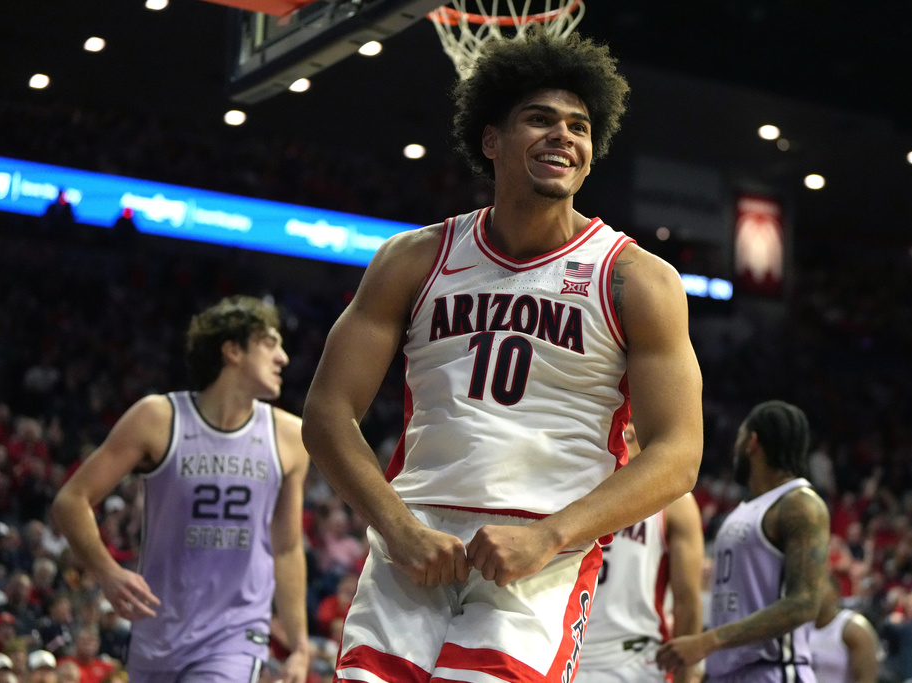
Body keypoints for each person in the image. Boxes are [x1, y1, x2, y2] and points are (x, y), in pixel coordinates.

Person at [301, 27, 703, 683]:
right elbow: (327, 411)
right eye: (540, 120)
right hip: (415, 536)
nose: (563, 136)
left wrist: (551, 535)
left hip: (540, 551)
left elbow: (678, 455)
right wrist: (397, 528)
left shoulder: (636, 278)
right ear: (491, 140)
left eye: (578, 126)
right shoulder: (415, 258)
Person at [51, 295, 311, 683]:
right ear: (233, 350)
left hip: (235, 634)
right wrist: (106, 572)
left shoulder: (289, 436)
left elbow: (288, 547)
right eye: (270, 343)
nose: (283, 358)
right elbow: (71, 500)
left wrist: (300, 644)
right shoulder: (157, 418)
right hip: (157, 629)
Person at [658, 400, 831, 682]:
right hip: (728, 673)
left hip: (774, 671)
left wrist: (709, 640)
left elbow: (804, 603)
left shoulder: (800, 504)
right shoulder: (746, 509)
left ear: (752, 442)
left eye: (739, 437)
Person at [576, 422, 705, 683]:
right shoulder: (569, 488)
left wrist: (685, 675)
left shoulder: (675, 501)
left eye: (637, 418)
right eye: (625, 417)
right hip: (564, 652)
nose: (629, 428)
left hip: (634, 660)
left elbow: (687, 599)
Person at [809, 573, 881, 683]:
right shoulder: (799, 627)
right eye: (812, 589)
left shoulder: (854, 628)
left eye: (821, 588)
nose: (816, 594)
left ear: (836, 594)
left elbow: (867, 678)